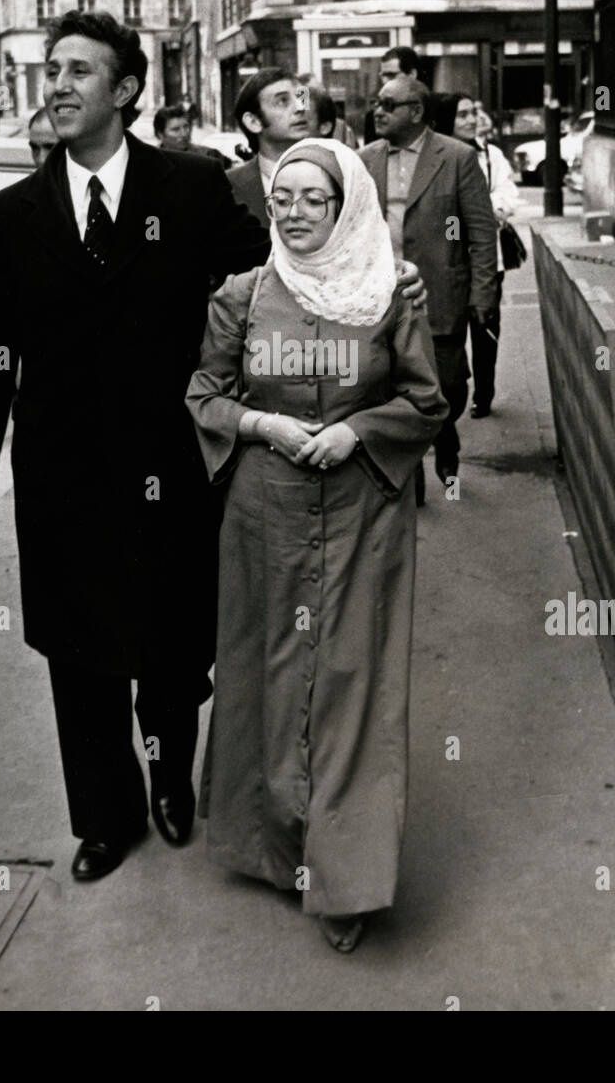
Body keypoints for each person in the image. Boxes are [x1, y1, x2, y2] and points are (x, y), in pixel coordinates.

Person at [0, 10, 273, 883]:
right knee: (77, 651)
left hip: (172, 462)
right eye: (51, 70)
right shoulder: (12, 216)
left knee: (170, 642)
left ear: (126, 91)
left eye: (79, 71)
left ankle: (171, 779)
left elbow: (262, 285)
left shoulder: (194, 188)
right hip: (62, 474)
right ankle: (103, 815)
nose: (56, 85)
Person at [186, 138, 447, 954]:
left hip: (364, 512)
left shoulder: (388, 293)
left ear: (346, 206)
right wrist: (259, 423)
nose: (294, 214)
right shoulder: (241, 293)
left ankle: (347, 885)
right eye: (283, 199)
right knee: (267, 674)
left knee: (351, 686)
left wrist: (359, 433)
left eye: (313, 199)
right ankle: (275, 848)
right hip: (264, 514)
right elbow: (204, 392)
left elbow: (426, 401)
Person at [360, 75, 498, 494]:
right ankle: (412, 470)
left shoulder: (456, 157)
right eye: (376, 104)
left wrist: (482, 295)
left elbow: (480, 232)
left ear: (416, 111)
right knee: (391, 390)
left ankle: (444, 434)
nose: (377, 112)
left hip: (441, 296)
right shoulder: (365, 159)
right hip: (382, 298)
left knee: (451, 389)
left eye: (388, 104)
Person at [450, 95, 521, 417]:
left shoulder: (491, 156)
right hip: (449, 260)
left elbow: (507, 195)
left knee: (486, 330)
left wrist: (479, 209)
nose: (470, 119)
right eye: (462, 114)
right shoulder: (438, 157)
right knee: (449, 334)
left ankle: (484, 394)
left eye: (473, 112)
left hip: (488, 258)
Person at [226, 69, 311, 224]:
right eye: (282, 101)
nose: (300, 108)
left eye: (301, 97)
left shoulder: (338, 174)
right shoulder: (227, 187)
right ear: (253, 122)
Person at [153, 103, 233, 169]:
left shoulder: (208, 155)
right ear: (160, 134)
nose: (184, 133)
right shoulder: (151, 161)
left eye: (186, 127)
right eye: (176, 130)